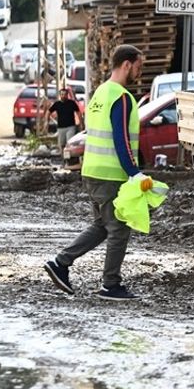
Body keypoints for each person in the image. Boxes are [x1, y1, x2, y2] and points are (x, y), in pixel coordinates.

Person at [45, 44, 146, 301]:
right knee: (120, 229)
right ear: (127, 64)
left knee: (102, 226)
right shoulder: (121, 97)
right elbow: (121, 138)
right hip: (110, 175)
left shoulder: (100, 93)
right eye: (138, 65)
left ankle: (61, 263)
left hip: (92, 170)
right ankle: (110, 285)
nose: (139, 71)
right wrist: (134, 172)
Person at [49, 86, 83, 158]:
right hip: (61, 127)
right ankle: (63, 158)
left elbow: (78, 113)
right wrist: (46, 120)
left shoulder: (71, 103)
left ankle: (69, 158)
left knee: (69, 143)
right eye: (62, 94)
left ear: (67, 95)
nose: (63, 96)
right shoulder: (57, 104)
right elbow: (49, 111)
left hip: (70, 126)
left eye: (65, 94)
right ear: (60, 95)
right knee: (62, 144)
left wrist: (81, 123)